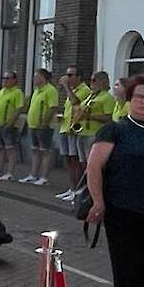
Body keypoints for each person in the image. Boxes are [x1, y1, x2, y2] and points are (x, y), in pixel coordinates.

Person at [86, 74, 144, 287]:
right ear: (129, 99)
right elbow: (94, 167)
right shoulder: (114, 130)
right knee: (126, 272)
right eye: (139, 96)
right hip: (121, 212)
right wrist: (98, 201)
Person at [19, 69, 59, 185]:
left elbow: (52, 107)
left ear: (43, 77)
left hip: (43, 126)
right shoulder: (37, 91)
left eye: (36, 77)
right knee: (35, 150)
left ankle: (44, 177)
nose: (34, 79)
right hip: (33, 125)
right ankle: (33, 174)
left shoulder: (50, 90)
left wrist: (44, 123)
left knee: (45, 151)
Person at [57, 67, 92, 201]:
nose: (67, 77)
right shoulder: (73, 90)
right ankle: (72, 189)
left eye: (70, 75)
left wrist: (66, 86)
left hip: (75, 130)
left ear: (79, 77)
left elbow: (76, 102)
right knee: (67, 160)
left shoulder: (84, 90)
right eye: (67, 74)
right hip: (65, 127)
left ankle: (78, 190)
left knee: (75, 161)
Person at [0, 71, 25, 180]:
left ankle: (10, 172)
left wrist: (10, 123)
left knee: (10, 149)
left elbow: (19, 108)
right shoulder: (2, 91)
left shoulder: (17, 92)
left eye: (8, 78)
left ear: (14, 80)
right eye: (3, 78)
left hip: (9, 125)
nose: (5, 80)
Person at [75, 71, 116, 153]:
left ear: (102, 82)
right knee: (82, 162)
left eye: (94, 80)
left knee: (91, 161)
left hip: (95, 134)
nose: (91, 83)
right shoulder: (91, 96)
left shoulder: (107, 97)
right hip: (82, 133)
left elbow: (109, 118)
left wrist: (90, 116)